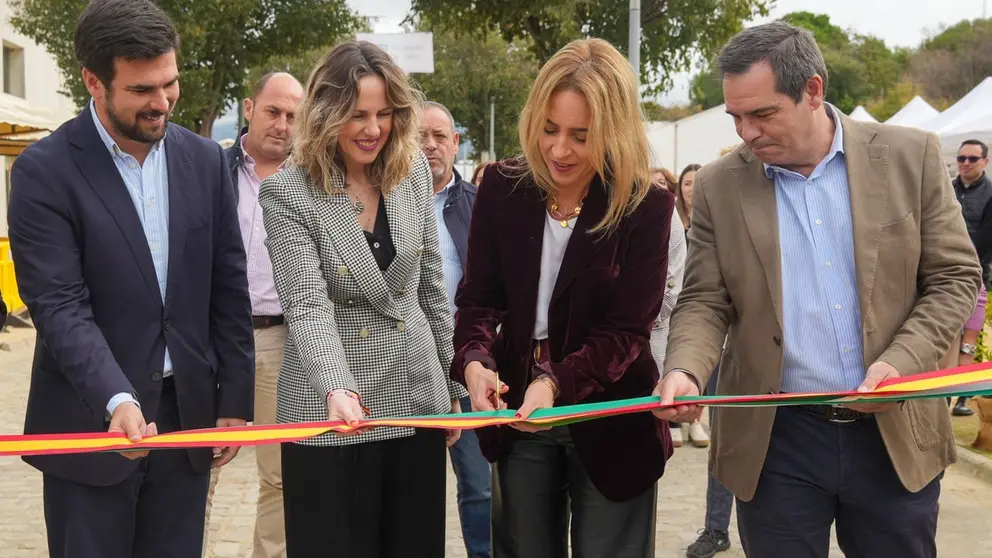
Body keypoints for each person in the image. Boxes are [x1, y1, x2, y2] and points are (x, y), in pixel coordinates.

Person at [654, 21, 981, 558]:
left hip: (893, 434)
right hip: (774, 440)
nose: (747, 133)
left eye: (762, 114)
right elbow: (705, 299)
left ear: (812, 91)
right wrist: (684, 368)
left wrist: (901, 362)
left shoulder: (910, 156)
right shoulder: (719, 184)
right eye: (737, 117)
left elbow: (953, 278)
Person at [7, 1, 255, 557]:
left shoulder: (206, 161)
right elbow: (58, 305)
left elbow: (227, 283)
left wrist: (233, 396)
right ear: (94, 81)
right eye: (143, 90)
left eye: (170, 84)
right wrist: (115, 398)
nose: (162, 102)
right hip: (89, 426)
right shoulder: (43, 173)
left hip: (186, 421)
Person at [452, 38, 675, 557]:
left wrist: (554, 382)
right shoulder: (502, 187)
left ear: (615, 131)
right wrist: (475, 364)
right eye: (549, 129)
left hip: (613, 421)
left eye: (581, 135)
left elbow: (626, 333)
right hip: (519, 416)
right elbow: (478, 301)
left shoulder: (647, 206)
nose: (558, 150)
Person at [259, 40, 468, 557]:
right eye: (357, 115)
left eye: (384, 114)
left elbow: (430, 290)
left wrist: (451, 385)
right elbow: (307, 304)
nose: (373, 129)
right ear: (326, 114)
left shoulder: (411, 172)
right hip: (328, 412)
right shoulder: (288, 192)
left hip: (413, 400)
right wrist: (337, 387)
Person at [205, 72, 304, 558]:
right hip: (212, 340)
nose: (282, 125)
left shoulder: (312, 182)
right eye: (273, 111)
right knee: (197, 469)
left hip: (282, 340)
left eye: (293, 116)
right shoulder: (208, 170)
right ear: (248, 108)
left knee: (281, 476)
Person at [419, 100, 491, 558]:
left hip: (468, 368)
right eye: (420, 136)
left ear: (456, 143)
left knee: (480, 487)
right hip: (407, 370)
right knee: (417, 491)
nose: (429, 145)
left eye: (439, 136)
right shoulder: (384, 207)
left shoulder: (481, 209)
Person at [948, 139, 992, 416]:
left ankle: (962, 398)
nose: (965, 163)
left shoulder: (991, 194)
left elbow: (986, 239)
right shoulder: (946, 188)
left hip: (975, 278)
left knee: (968, 343)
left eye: (972, 159)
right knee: (944, 341)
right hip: (939, 277)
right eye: (962, 158)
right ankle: (941, 399)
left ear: (985, 162)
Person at [675, 164, 700, 230]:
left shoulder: (713, 215)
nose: (692, 189)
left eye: (697, 183)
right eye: (687, 184)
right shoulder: (672, 214)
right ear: (680, 186)